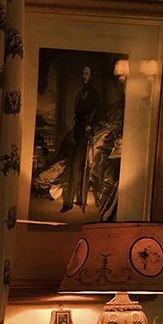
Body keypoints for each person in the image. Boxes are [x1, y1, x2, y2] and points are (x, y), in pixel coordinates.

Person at [59, 64, 101, 213]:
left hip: (85, 133)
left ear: (91, 76)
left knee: (75, 166)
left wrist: (92, 127)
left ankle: (68, 202)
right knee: (80, 165)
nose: (84, 76)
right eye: (83, 73)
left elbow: (98, 113)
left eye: (87, 74)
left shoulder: (94, 94)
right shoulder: (81, 92)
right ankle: (81, 199)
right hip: (78, 130)